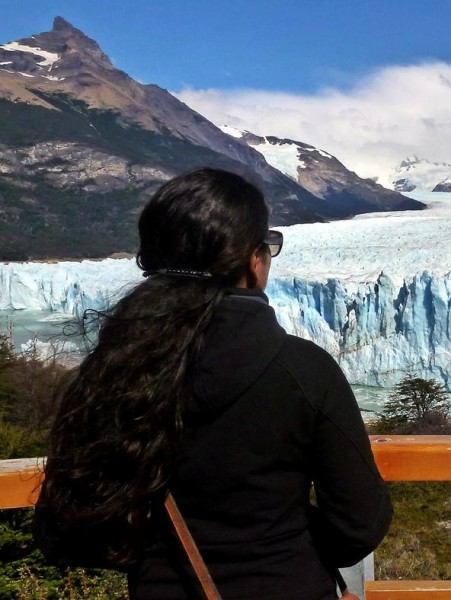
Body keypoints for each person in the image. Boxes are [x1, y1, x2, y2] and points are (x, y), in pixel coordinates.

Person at [34, 168, 392, 599]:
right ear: (252, 259)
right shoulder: (303, 371)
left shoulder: (115, 371)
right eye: (268, 246)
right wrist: (285, 533)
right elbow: (360, 524)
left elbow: (62, 528)